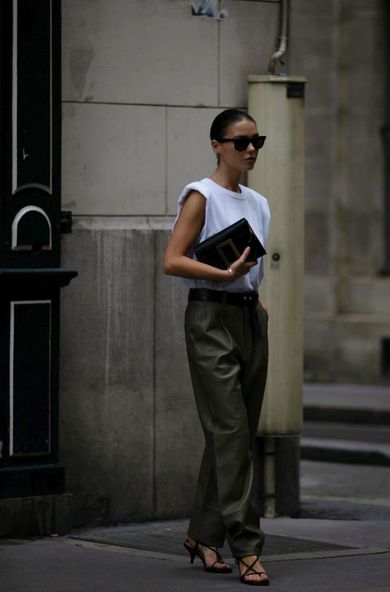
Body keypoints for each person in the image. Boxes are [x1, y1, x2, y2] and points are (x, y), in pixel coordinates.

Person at [163, 109, 271, 586]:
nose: (250, 149)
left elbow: (255, 266)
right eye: (241, 141)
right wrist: (222, 275)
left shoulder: (260, 202)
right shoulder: (200, 195)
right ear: (216, 145)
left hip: (249, 317)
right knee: (230, 432)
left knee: (236, 434)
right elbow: (172, 261)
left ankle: (203, 536)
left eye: (257, 142)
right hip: (209, 318)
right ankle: (247, 546)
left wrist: (257, 301)